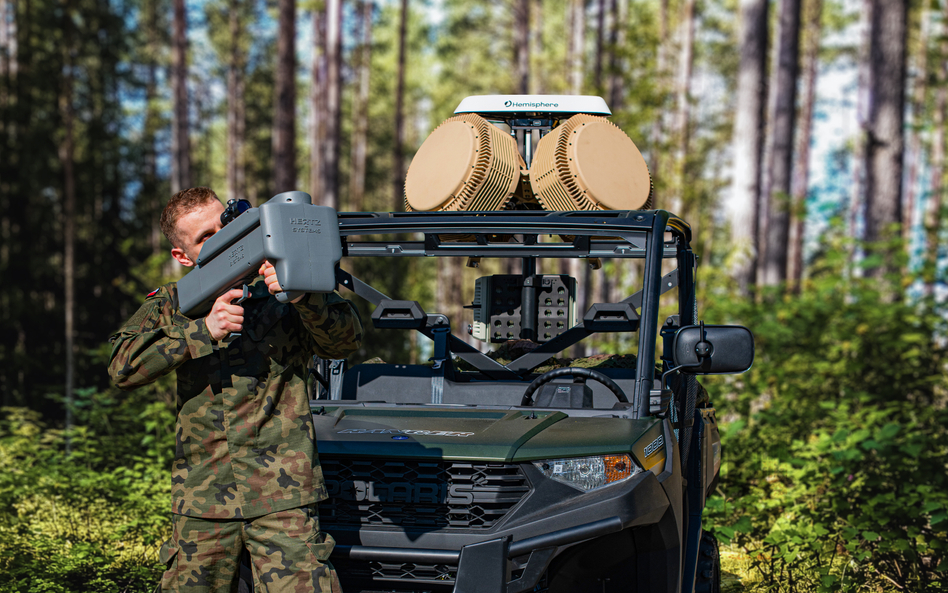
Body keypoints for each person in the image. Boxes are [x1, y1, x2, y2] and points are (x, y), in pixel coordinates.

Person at [108, 187, 362, 592]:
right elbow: (122, 366)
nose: (220, 239)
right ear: (182, 256)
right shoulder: (173, 304)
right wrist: (200, 332)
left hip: (283, 494)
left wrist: (302, 296)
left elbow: (347, 342)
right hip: (204, 497)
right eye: (204, 237)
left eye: (223, 226)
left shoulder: (287, 286)